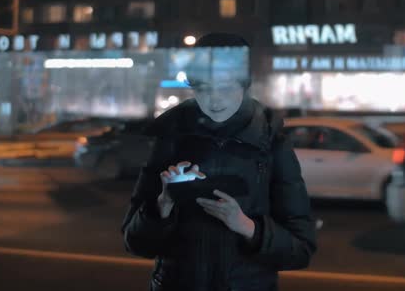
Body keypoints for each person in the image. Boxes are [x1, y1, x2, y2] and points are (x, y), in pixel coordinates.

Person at [121, 33, 317, 291]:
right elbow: (135, 243)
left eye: (224, 87)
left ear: (244, 84)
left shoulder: (271, 144)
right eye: (202, 87)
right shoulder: (171, 139)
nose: (213, 101)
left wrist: (248, 227)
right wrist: (163, 204)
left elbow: (301, 250)